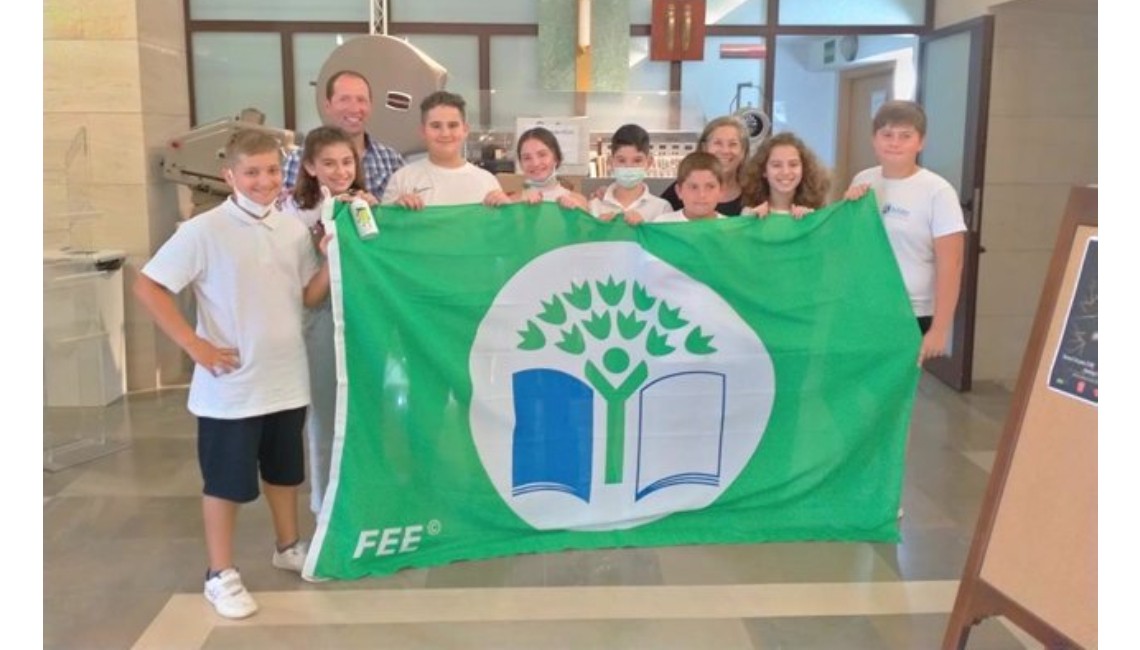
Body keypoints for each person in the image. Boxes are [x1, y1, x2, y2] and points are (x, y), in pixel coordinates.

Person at [133, 130, 331, 620]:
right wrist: (193, 344)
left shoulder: (288, 229)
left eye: (270, 171)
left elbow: (306, 295)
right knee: (226, 483)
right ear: (230, 176)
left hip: (286, 380)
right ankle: (219, 573)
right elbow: (148, 286)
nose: (262, 181)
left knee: (285, 474)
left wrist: (331, 258)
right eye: (251, 173)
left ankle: (287, 545)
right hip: (231, 388)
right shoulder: (203, 231)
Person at [277, 125, 371, 515]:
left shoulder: (363, 205)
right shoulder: (294, 214)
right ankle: (325, 502)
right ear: (310, 167)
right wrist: (328, 255)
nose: (339, 170)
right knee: (326, 414)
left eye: (347, 161)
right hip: (319, 323)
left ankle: (359, 490)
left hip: (364, 321)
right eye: (328, 163)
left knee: (363, 411)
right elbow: (308, 295)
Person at [844, 100, 966, 366]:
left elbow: (952, 265)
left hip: (912, 313)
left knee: (895, 397)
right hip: (866, 309)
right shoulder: (863, 181)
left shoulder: (937, 191)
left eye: (905, 136)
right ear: (874, 140)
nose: (894, 143)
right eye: (887, 135)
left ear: (920, 142)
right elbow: (850, 246)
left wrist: (939, 330)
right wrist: (847, 209)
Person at [283, 70, 405, 199]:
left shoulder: (391, 161)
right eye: (344, 99)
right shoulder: (298, 159)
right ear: (327, 106)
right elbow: (284, 213)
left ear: (371, 106)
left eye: (361, 100)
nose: (354, 108)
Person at [381, 90, 509, 208]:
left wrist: (507, 209)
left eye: (453, 125)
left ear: (465, 130)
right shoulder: (402, 180)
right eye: (436, 126)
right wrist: (396, 212)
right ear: (423, 131)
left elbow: (502, 230)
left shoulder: (487, 182)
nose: (445, 133)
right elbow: (385, 228)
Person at [659, 116, 750, 216]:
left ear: (744, 151)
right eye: (718, 143)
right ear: (704, 147)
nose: (725, 151)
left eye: (733, 144)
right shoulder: (685, 188)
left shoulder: (756, 193)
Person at [587, 123, 672, 225]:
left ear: (649, 162)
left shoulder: (661, 209)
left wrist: (644, 228)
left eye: (637, 160)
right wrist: (597, 230)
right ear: (610, 162)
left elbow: (663, 240)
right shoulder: (594, 207)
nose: (629, 167)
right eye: (621, 160)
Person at [740, 131, 831, 219]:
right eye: (776, 165)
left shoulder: (816, 213)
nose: (785, 172)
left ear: (804, 169)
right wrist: (751, 222)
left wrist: (811, 221)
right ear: (764, 170)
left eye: (793, 164)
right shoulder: (750, 213)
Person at [512, 126, 589, 209]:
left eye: (542, 155)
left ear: (556, 158)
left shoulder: (578, 201)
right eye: (527, 158)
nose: (535, 163)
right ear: (520, 164)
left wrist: (578, 213)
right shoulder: (512, 202)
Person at [655, 152, 729, 223]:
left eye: (710, 187)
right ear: (679, 191)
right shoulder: (661, 224)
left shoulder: (731, 230)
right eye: (693, 187)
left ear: (721, 191)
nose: (701, 195)